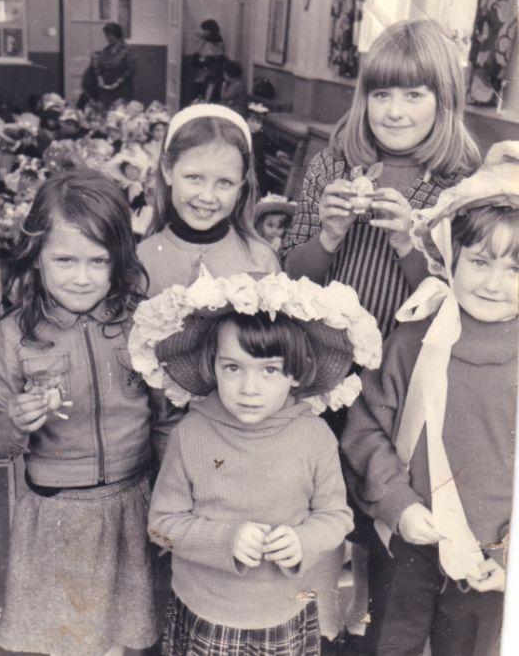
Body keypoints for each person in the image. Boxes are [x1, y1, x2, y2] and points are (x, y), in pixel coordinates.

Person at [279, 19, 481, 646]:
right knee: (317, 502)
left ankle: (369, 622)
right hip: (325, 371)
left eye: (415, 95)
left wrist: (408, 241)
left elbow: (461, 297)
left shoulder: (460, 182)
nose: (394, 111)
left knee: (383, 510)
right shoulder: (333, 162)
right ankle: (311, 623)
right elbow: (291, 275)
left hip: (402, 381)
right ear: (362, 97)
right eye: (381, 93)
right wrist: (329, 236)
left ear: (445, 102)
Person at [130, 269, 383, 656]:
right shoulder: (191, 434)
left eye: (269, 370)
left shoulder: (314, 436)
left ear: (295, 374)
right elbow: (162, 526)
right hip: (207, 610)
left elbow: (337, 517)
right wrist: (224, 539)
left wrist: (304, 540)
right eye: (233, 368)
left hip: (285, 611)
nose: (249, 388)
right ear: (212, 367)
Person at [0, 170, 171, 656]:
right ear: (37, 257)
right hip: (58, 512)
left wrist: (173, 496)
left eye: (98, 261)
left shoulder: (139, 323)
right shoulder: (15, 334)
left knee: (119, 639)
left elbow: (164, 419)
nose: (81, 277)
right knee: (66, 643)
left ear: (118, 261)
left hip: (133, 503)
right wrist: (16, 423)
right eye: (64, 259)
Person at [341, 141, 519, 656]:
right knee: (390, 643)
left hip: (490, 560)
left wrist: (508, 557)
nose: (493, 283)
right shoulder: (416, 337)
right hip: (410, 541)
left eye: (515, 269)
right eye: (481, 261)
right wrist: (396, 504)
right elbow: (366, 428)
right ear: (449, 254)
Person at [138, 103, 280, 298]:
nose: (207, 196)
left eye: (224, 182)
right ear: (167, 170)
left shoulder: (262, 261)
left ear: (241, 184)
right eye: (194, 178)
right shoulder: (141, 260)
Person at [97, 22, 135, 106]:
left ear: (117, 35)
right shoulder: (105, 50)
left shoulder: (127, 50)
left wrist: (117, 83)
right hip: (106, 90)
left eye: (109, 35)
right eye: (106, 36)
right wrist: (100, 79)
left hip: (122, 90)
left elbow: (130, 70)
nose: (107, 38)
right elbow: (99, 67)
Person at [191, 20, 226, 102]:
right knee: (198, 91)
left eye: (204, 30)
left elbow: (216, 56)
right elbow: (197, 53)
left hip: (209, 72)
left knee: (206, 93)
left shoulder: (217, 42)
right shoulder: (203, 40)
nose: (202, 32)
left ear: (209, 30)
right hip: (201, 71)